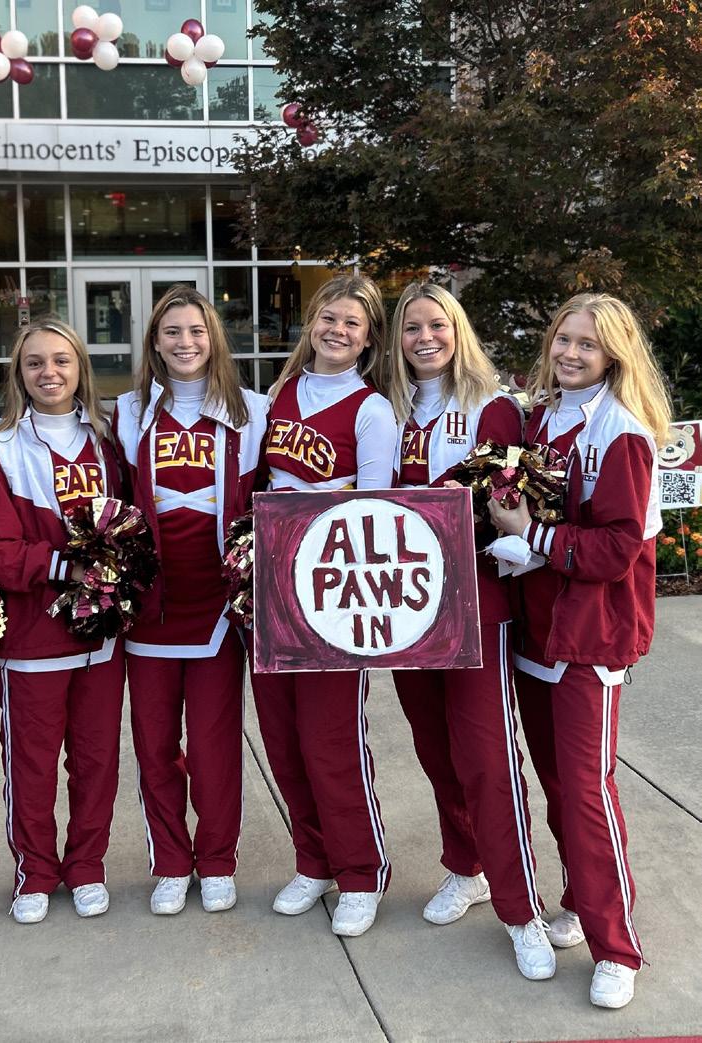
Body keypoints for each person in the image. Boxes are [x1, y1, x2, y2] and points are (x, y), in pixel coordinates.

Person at [490, 292, 671, 1009]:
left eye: (586, 344)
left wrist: (530, 536)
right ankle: (578, 898)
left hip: (588, 638)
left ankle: (615, 946)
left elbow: (618, 549)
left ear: (612, 355)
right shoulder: (541, 418)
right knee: (560, 787)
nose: (570, 352)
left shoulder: (622, 432)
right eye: (563, 338)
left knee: (589, 792)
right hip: (537, 631)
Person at [389, 282, 554, 981]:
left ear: (457, 330)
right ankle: (467, 865)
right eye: (411, 327)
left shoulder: (494, 406)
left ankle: (522, 910)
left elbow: (509, 503)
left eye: (437, 324)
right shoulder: (386, 407)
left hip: (475, 606)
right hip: (402, 610)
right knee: (435, 750)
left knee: (486, 759)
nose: (424, 337)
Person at [250, 273, 396, 938]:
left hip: (331, 591)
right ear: (311, 322)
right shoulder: (279, 393)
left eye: (351, 324)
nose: (336, 330)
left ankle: (361, 872)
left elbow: (374, 511)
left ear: (368, 340)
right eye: (328, 318)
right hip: (269, 586)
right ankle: (314, 861)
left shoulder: (371, 409)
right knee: (282, 739)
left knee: (330, 741)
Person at [112, 285, 266, 916]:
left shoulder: (252, 410)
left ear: (214, 338)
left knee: (212, 743)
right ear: (154, 341)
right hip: (150, 603)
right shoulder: (126, 411)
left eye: (197, 331)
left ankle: (219, 858)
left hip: (218, 604)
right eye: (172, 331)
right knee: (154, 745)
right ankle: (172, 862)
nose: (185, 342)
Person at [0, 317, 125, 925]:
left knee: (96, 760)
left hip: (101, 639)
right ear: (18, 374)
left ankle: (86, 866)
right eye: (34, 363)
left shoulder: (110, 441)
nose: (49, 372)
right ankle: (34, 872)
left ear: (80, 367)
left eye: (61, 360)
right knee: (31, 763)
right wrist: (68, 565)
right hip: (32, 638)